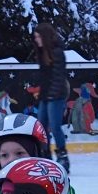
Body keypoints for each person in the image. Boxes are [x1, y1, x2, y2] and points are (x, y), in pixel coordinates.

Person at [32, 22, 71, 171]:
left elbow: (58, 77)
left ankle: (62, 157)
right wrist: (43, 95)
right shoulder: (42, 53)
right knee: (41, 127)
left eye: (38, 37)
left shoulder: (57, 52)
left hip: (56, 95)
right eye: (35, 37)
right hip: (46, 95)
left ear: (45, 36)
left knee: (55, 126)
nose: (36, 40)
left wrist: (52, 95)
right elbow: (45, 77)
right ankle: (45, 155)